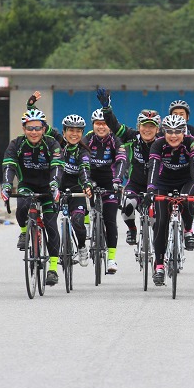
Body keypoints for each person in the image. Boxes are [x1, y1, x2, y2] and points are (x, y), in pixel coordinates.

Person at [1, 109, 64, 286]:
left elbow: (57, 166)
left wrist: (55, 184)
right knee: (21, 207)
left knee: (51, 225)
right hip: (27, 185)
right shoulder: (16, 144)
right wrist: (6, 185)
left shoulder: (52, 144)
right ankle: (23, 233)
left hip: (48, 187)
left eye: (37, 128)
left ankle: (52, 268)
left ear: (44, 129)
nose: (34, 132)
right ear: (24, 128)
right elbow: (9, 166)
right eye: (30, 128)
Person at [96, 88, 160, 247]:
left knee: (158, 219)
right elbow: (114, 125)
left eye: (152, 126)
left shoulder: (163, 142)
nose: (147, 130)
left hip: (158, 184)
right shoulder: (132, 136)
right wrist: (107, 109)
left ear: (157, 129)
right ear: (138, 127)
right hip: (136, 183)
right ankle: (132, 229)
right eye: (144, 126)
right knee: (127, 206)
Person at [147, 114, 194, 286]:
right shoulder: (158, 144)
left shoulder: (191, 142)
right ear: (163, 132)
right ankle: (159, 266)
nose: (173, 135)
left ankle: (187, 230)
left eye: (177, 132)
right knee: (161, 221)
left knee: (186, 199)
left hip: (186, 181)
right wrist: (150, 188)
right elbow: (154, 167)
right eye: (169, 132)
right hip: (163, 183)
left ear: (183, 131)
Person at [85, 108, 123, 273]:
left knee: (110, 219)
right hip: (91, 179)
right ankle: (88, 222)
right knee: (83, 202)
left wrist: (117, 180)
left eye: (105, 124)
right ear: (93, 125)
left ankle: (112, 259)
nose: (101, 127)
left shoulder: (115, 140)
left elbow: (122, 160)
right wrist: (86, 181)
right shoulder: (87, 139)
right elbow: (82, 161)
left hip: (110, 181)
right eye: (98, 124)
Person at [58, 114, 93, 266]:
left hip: (76, 189)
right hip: (56, 188)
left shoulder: (83, 152)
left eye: (78, 131)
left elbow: (85, 169)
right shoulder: (55, 145)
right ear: (64, 131)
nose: (74, 134)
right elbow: (39, 126)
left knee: (78, 221)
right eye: (71, 130)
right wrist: (31, 106)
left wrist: (87, 185)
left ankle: (81, 247)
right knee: (48, 221)